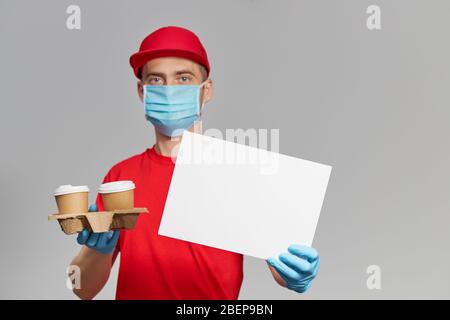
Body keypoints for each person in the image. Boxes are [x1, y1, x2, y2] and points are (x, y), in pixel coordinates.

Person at [70, 26, 320, 300]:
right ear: (142, 92)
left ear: (207, 90)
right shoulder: (120, 178)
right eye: (156, 79)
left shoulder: (238, 173)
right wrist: (97, 251)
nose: (169, 90)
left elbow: (282, 269)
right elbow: (81, 289)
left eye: (183, 78)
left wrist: (296, 271)